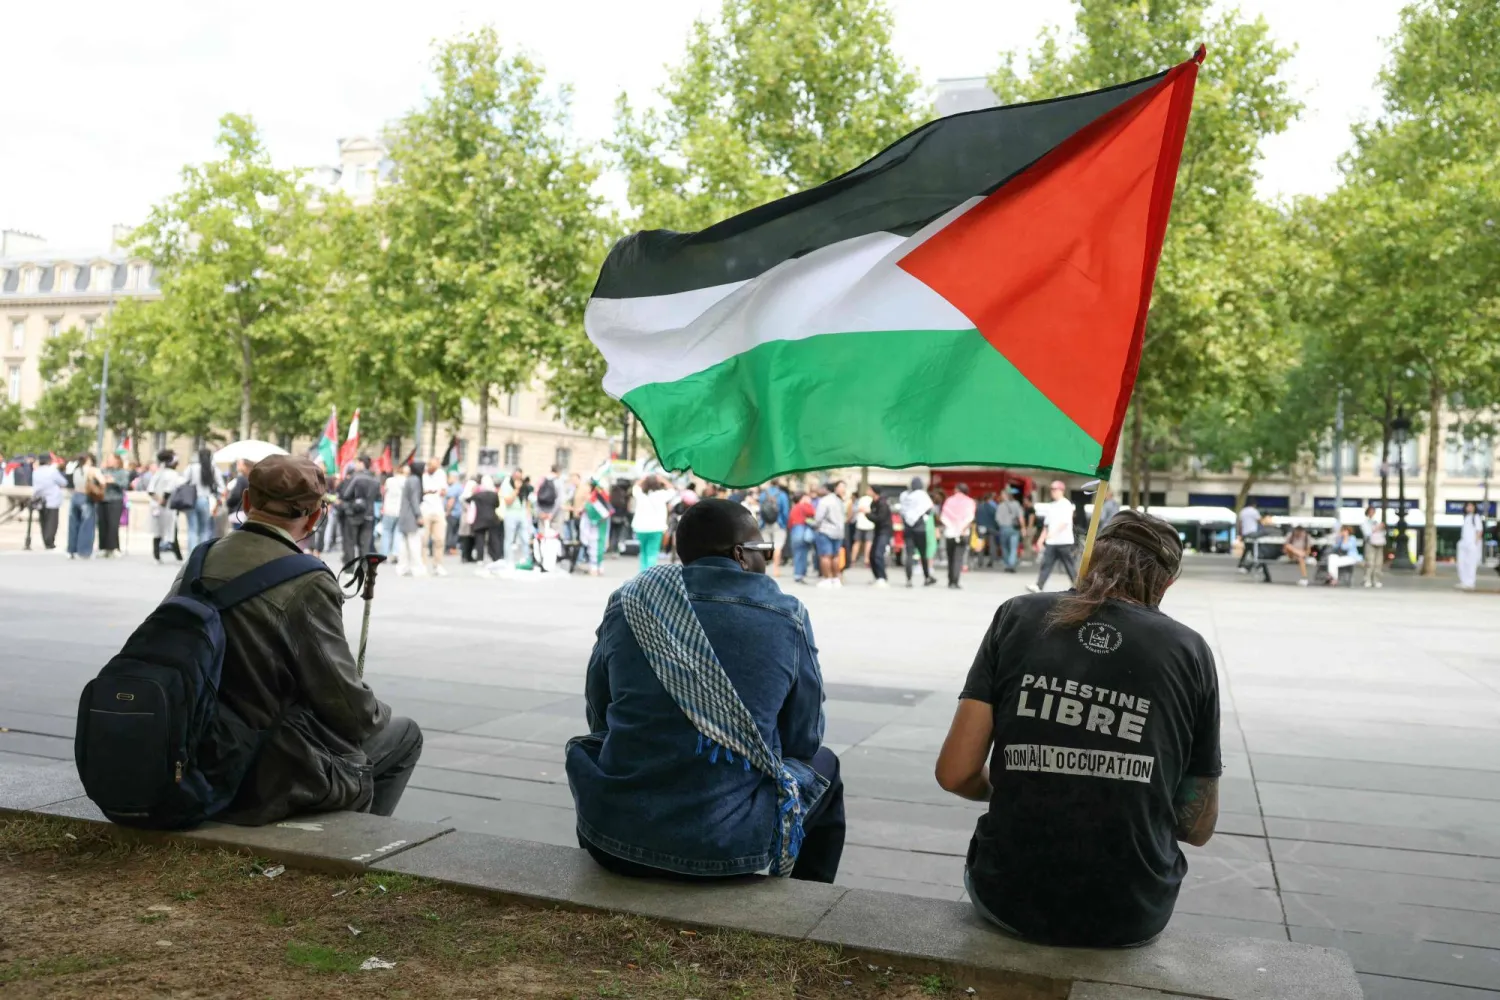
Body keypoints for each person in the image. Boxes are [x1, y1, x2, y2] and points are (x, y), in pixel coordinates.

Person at [935, 510, 1219, 948]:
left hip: (1008, 896)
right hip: (1133, 911)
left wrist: (1030, 780)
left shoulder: (1018, 615)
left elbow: (955, 773)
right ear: (1166, 584)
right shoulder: (1190, 651)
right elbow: (1197, 826)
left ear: (1089, 560)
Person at [567, 499, 844, 883]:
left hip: (612, 840)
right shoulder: (786, 614)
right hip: (727, 848)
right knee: (826, 764)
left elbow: (600, 711)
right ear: (740, 555)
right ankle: (806, 906)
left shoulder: (631, 601)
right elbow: (805, 738)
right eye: (764, 550)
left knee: (595, 745)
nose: (767, 559)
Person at [167, 454, 422, 823]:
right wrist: (375, 712)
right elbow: (347, 706)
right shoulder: (307, 580)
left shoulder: (200, 558)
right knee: (404, 735)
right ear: (315, 517)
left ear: (248, 502)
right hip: (260, 764)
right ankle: (355, 845)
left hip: (189, 747)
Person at [1027, 481, 1077, 593]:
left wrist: (1053, 533)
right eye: (1052, 489)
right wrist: (1041, 539)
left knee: (1069, 566)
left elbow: (1065, 522)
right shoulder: (1051, 506)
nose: (1053, 492)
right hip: (1051, 542)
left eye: (1055, 489)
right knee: (1046, 564)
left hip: (1064, 541)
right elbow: (1046, 525)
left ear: (1061, 491)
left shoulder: (1066, 504)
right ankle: (1039, 585)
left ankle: (1078, 586)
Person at [337, 459, 380, 564]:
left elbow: (346, 494)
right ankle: (364, 569)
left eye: (357, 463)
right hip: (369, 514)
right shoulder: (375, 480)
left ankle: (350, 569)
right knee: (365, 544)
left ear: (362, 463)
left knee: (350, 542)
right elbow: (379, 497)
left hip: (353, 514)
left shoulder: (355, 477)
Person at [181, 447, 225, 551]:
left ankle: (191, 554)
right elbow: (221, 487)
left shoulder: (191, 468)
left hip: (191, 500)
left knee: (192, 529)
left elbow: (182, 482)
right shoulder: (214, 469)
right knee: (205, 530)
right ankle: (202, 554)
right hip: (207, 500)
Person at [632, 474, 675, 572]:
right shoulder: (662, 494)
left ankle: (641, 574)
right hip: (656, 528)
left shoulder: (640, 494)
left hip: (640, 527)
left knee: (643, 552)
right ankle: (649, 574)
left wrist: (643, 478)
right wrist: (663, 479)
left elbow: (635, 486)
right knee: (652, 552)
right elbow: (672, 489)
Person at [899, 477, 936, 587]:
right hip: (920, 528)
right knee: (923, 554)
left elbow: (902, 511)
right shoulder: (922, 495)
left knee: (909, 554)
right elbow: (929, 508)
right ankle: (926, 577)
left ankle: (909, 580)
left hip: (908, 528)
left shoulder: (904, 496)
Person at [149, 450, 185, 563]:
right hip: (168, 507)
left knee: (157, 532)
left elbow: (150, 490)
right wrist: (163, 500)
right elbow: (169, 490)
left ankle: (156, 556)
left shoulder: (158, 473)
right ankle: (179, 557)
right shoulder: (173, 474)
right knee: (172, 531)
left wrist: (158, 499)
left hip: (156, 506)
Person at [941, 484, 977, 589]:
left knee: (950, 557)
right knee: (958, 558)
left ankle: (950, 579)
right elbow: (970, 518)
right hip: (963, 533)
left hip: (950, 533)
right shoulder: (970, 502)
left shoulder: (949, 501)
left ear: (957, 490)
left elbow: (944, 516)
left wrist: (952, 527)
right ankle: (955, 581)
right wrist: (962, 529)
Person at [67, 454, 103, 559]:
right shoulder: (92, 470)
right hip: (86, 497)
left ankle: (72, 550)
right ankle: (84, 551)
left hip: (75, 496)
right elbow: (102, 481)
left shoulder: (75, 470)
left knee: (73, 525)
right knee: (87, 525)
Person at [813, 481, 848, 588]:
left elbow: (818, 517)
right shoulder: (840, 501)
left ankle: (827, 578)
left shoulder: (825, 501)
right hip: (839, 532)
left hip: (825, 531)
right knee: (835, 556)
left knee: (825, 556)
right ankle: (836, 578)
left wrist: (816, 526)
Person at [394, 461, 426, 577]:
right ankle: (416, 568)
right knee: (414, 543)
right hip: (411, 516)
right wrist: (419, 515)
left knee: (404, 544)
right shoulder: (415, 480)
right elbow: (414, 500)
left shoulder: (409, 479)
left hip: (404, 515)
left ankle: (402, 567)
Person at [97, 453, 131, 557]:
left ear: (117, 461)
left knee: (113, 524)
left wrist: (114, 481)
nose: (108, 461)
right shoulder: (103, 471)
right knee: (102, 524)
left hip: (115, 500)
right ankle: (103, 547)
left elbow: (125, 484)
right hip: (103, 499)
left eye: (111, 459)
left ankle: (114, 547)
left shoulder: (122, 472)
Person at [467, 475, 503, 572]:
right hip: (492, 518)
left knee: (480, 540)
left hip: (480, 519)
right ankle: (496, 557)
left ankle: (480, 558)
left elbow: (468, 499)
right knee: (494, 539)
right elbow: (497, 504)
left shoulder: (478, 495)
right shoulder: (494, 494)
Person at [419, 459, 449, 576]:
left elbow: (444, 490)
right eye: (431, 466)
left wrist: (440, 492)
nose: (433, 468)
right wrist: (428, 492)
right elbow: (420, 492)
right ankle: (423, 564)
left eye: (436, 466)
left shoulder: (441, 474)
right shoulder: (423, 476)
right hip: (425, 510)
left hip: (438, 510)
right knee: (424, 540)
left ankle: (438, 565)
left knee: (439, 539)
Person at [31, 454, 67, 549]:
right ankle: (49, 541)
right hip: (52, 500)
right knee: (52, 522)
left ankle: (46, 540)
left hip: (40, 500)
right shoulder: (52, 471)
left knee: (43, 521)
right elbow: (63, 482)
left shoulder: (36, 472)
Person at [577, 479, 612, 575]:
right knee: (596, 545)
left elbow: (597, 513)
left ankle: (595, 567)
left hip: (596, 527)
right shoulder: (597, 498)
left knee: (595, 545)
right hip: (597, 526)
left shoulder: (595, 499)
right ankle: (597, 567)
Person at [758, 480, 789, 578]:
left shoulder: (763, 494)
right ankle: (776, 569)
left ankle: (765, 568)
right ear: (778, 484)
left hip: (765, 523)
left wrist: (761, 523)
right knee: (778, 547)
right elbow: (785, 511)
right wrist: (784, 524)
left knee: (766, 546)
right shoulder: (782, 495)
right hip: (778, 523)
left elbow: (760, 510)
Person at [500, 469, 531, 566]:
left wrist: (528, 513)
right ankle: (508, 560)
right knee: (509, 539)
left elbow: (527, 499)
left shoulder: (524, 486)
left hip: (522, 513)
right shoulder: (507, 484)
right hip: (511, 513)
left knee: (525, 538)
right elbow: (508, 501)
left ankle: (526, 559)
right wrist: (516, 490)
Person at [788, 491, 817, 583]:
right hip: (802, 530)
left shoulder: (794, 507)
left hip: (794, 530)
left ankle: (797, 574)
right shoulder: (803, 506)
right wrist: (808, 503)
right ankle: (800, 575)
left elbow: (789, 522)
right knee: (803, 553)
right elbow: (813, 512)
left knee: (797, 554)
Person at [868, 487, 893, 588]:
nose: (867, 491)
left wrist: (867, 514)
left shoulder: (883, 503)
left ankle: (882, 577)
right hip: (878, 532)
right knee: (872, 555)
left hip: (884, 532)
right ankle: (878, 576)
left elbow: (880, 518)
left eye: (869, 490)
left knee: (878, 554)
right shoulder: (874, 503)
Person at [378, 465, 405, 559]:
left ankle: (384, 553)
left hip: (388, 509)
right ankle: (396, 553)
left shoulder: (389, 481)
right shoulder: (405, 481)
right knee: (398, 532)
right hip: (400, 510)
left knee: (386, 532)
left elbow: (383, 493)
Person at [995, 489, 1024, 573]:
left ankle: (1007, 564)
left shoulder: (1000, 506)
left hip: (1003, 528)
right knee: (1013, 548)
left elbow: (997, 519)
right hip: (1014, 529)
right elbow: (1021, 517)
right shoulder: (1017, 504)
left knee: (1004, 547)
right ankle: (1011, 564)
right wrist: (1023, 528)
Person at [1457, 501, 1483, 591]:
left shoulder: (1476, 517)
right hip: (1464, 543)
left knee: (1471, 564)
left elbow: (1479, 531)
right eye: (1468, 506)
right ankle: (1464, 581)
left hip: (1471, 544)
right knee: (1462, 563)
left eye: (1471, 506)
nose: (1469, 508)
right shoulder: (1466, 517)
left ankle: (1470, 582)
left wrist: (1475, 544)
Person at [1360, 506, 1386, 589]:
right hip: (1370, 544)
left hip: (1379, 543)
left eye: (1373, 511)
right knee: (1370, 562)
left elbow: (1383, 532)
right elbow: (1367, 533)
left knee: (1378, 563)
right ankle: (1367, 580)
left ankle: (1376, 580)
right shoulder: (1365, 522)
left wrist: (1380, 528)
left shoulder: (1377, 521)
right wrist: (1376, 528)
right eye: (1370, 511)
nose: (1372, 513)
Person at [850, 489, 875, 567]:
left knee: (857, 542)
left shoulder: (860, 500)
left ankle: (853, 559)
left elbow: (855, 509)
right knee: (868, 542)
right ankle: (866, 559)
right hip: (870, 524)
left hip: (860, 524)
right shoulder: (873, 500)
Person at [975, 492, 999, 569]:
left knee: (980, 544)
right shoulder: (992, 508)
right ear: (989, 499)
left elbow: (976, 517)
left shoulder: (979, 507)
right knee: (992, 544)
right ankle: (991, 561)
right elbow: (995, 518)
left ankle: (980, 562)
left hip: (981, 527)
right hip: (991, 527)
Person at [1236, 502, 1262, 571]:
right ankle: (1256, 564)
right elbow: (1260, 521)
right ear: (1254, 505)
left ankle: (1243, 564)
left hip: (1245, 533)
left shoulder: (1243, 511)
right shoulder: (1254, 511)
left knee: (1248, 548)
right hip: (1253, 533)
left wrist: (1240, 534)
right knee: (1253, 548)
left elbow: (1240, 524)